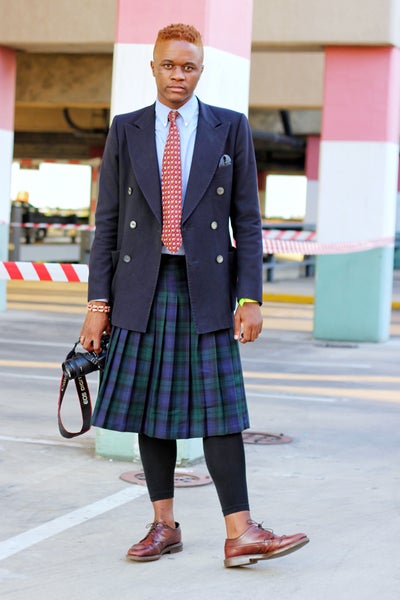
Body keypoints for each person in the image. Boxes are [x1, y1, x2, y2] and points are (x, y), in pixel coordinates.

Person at [79, 23, 309, 568]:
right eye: (168, 65)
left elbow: (247, 220)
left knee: (221, 411)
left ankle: (241, 532)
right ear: (153, 67)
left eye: (188, 67)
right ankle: (163, 526)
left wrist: (250, 297)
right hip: (141, 286)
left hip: (206, 286)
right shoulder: (126, 129)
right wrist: (97, 306)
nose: (177, 75)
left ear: (201, 70)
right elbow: (107, 224)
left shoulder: (229, 128)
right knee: (149, 410)